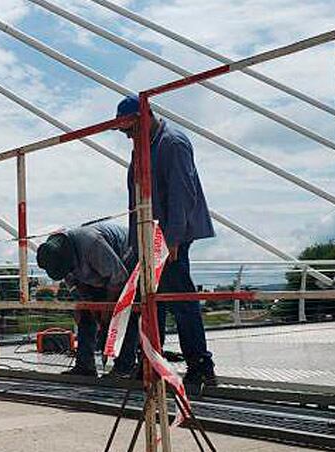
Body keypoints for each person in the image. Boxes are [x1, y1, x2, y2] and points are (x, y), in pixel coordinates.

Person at [116, 95, 217, 393]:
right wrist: (135, 243)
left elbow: (182, 194)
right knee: (150, 302)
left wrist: (173, 238)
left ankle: (200, 365)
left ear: (143, 117)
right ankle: (151, 361)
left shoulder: (172, 143)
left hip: (169, 237)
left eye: (129, 128)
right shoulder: (143, 147)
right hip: (149, 237)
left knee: (180, 300)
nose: (127, 135)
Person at [36, 222, 138, 378]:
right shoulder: (56, 254)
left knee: (124, 314)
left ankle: (125, 366)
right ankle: (85, 366)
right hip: (98, 275)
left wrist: (107, 309)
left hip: (126, 263)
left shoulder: (92, 244)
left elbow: (118, 278)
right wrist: (85, 305)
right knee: (84, 314)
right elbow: (75, 285)